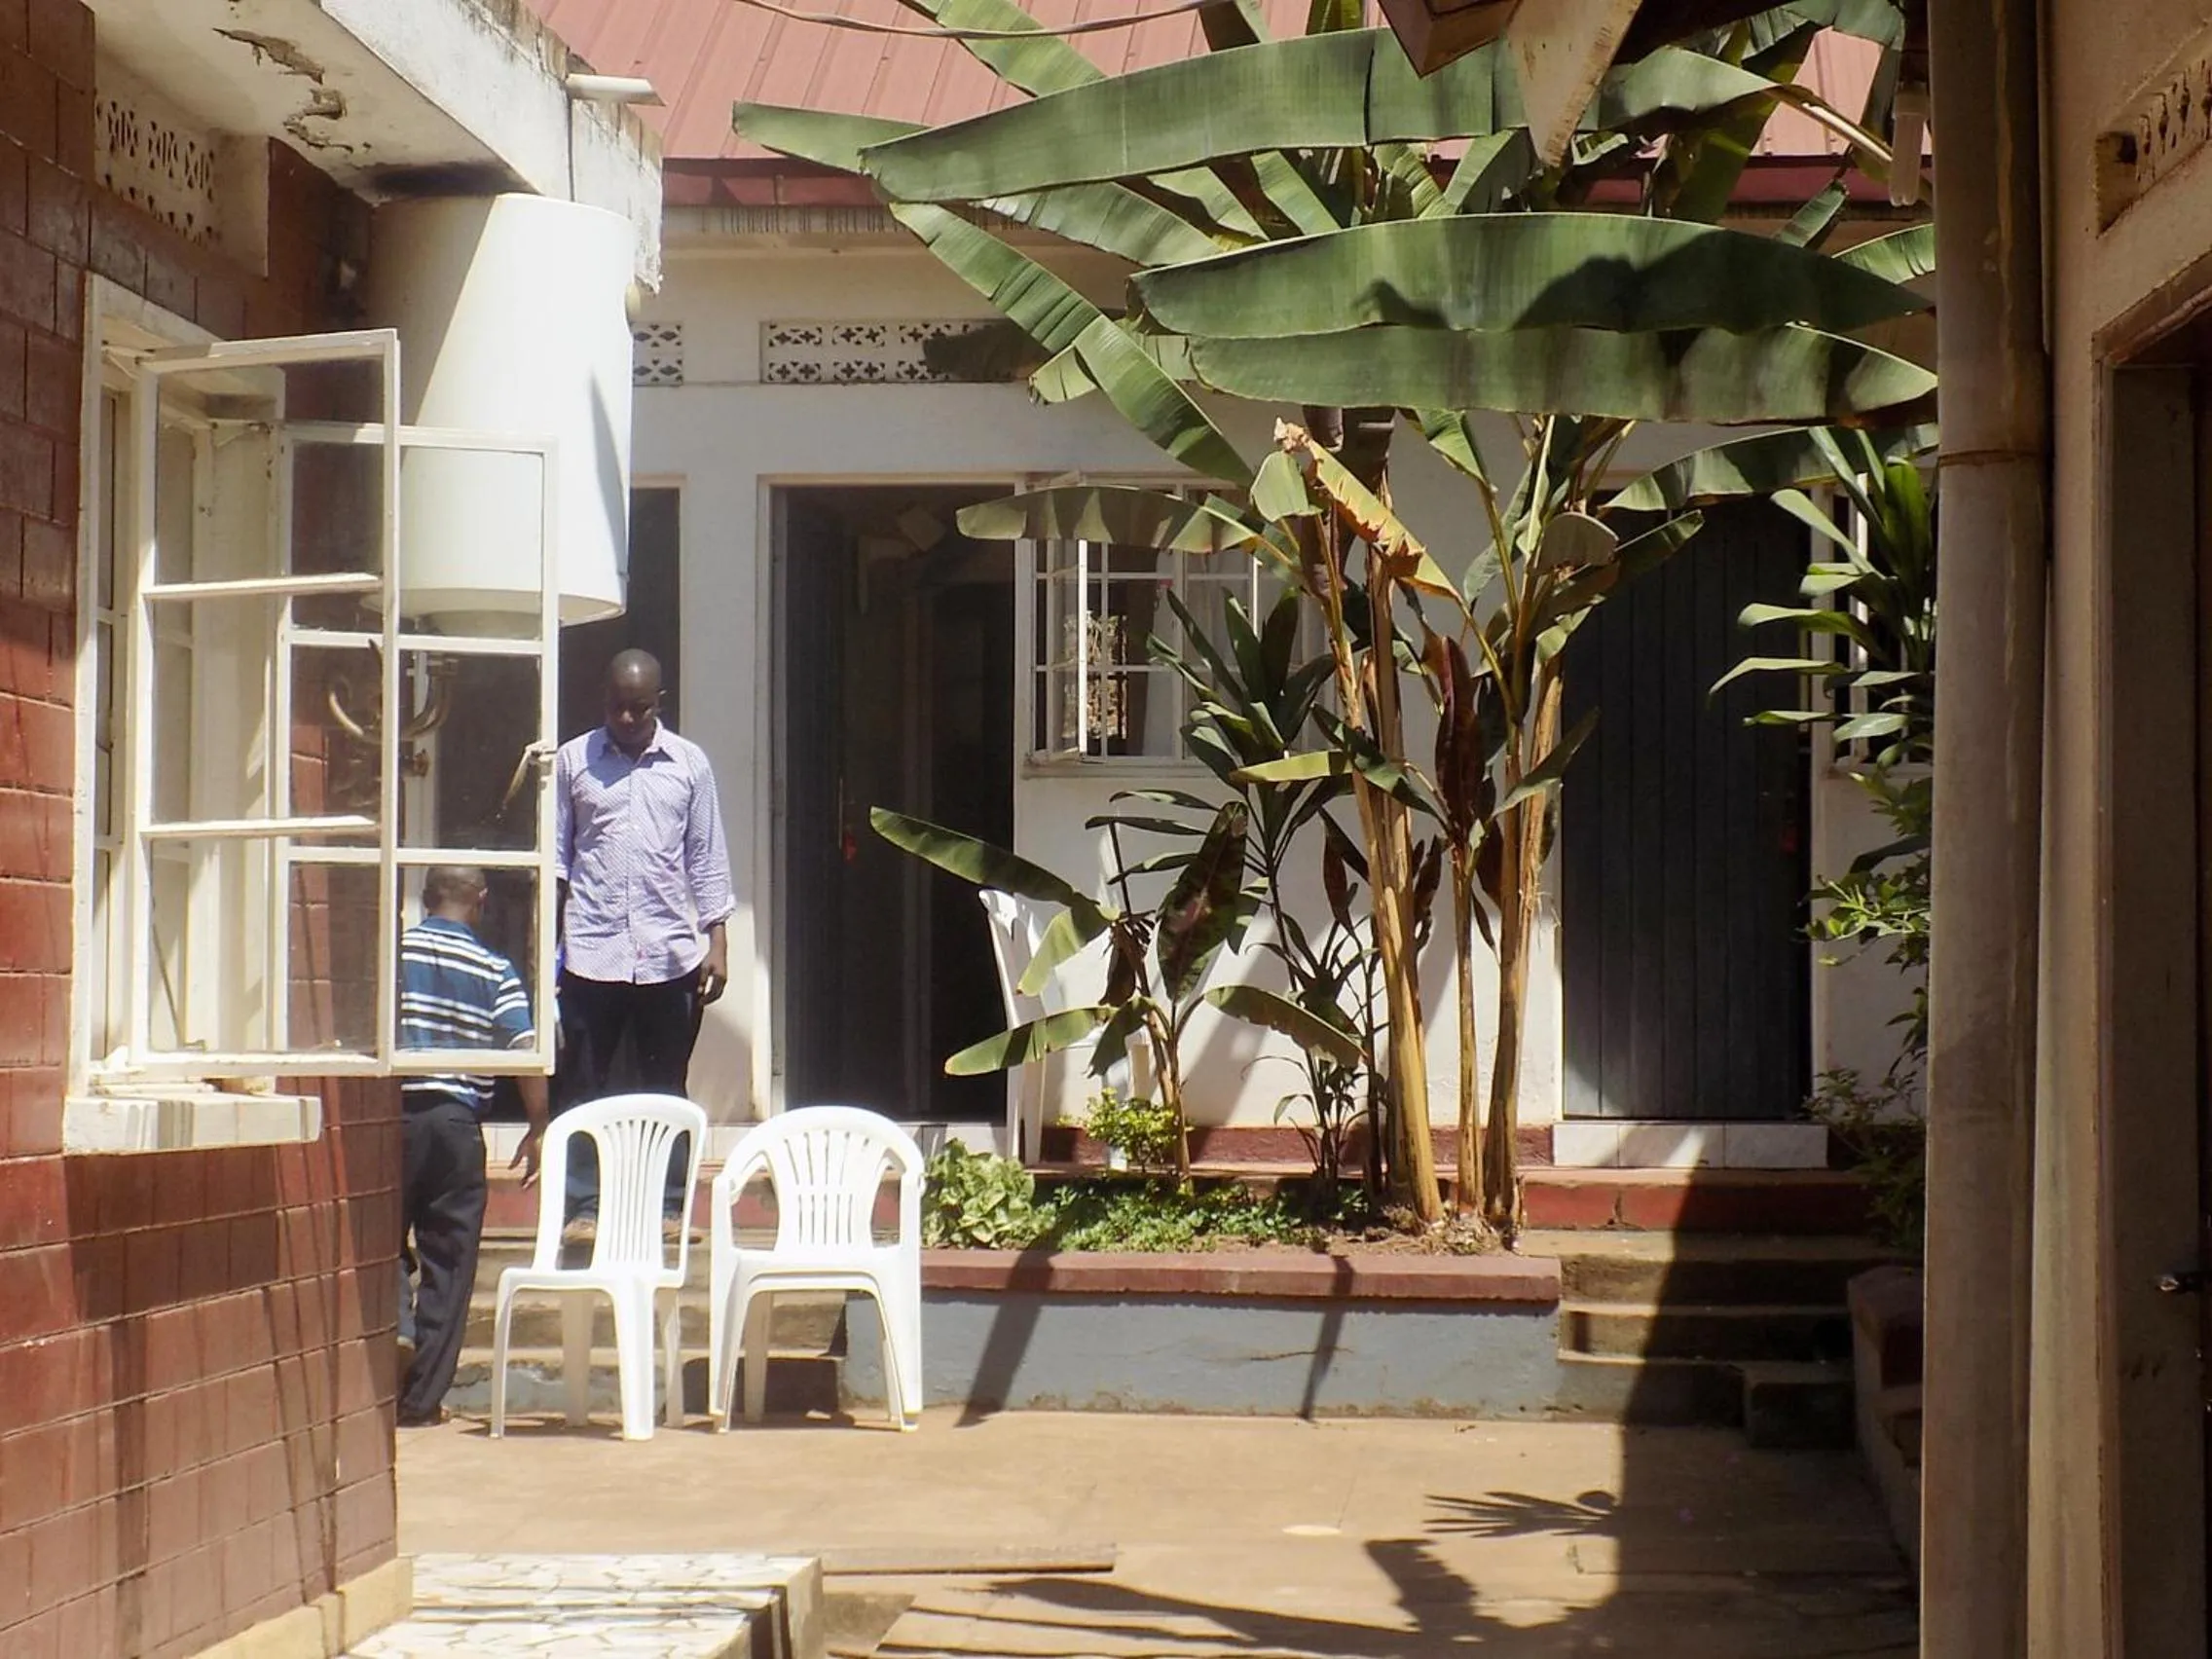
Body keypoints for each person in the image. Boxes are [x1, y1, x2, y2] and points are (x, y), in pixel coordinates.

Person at [553, 649, 733, 1245]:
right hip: (590, 950)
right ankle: (585, 1206)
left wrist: (718, 942)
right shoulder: (573, 761)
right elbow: (556, 858)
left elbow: (706, 858)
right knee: (585, 1085)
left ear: (660, 704)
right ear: (602, 700)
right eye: (616, 707)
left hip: (668, 952)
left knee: (666, 1088)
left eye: (638, 708)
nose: (626, 719)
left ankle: (670, 1206)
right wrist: (544, 949)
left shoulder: (689, 766)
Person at [396, 866, 548, 1427]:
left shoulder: (396, 953)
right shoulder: (494, 968)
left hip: (395, 1118)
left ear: (425, 897)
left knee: (380, 1239)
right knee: (450, 1263)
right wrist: (538, 1123)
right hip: (457, 1123)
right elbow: (524, 1049)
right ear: (481, 901)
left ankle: (395, 1325)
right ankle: (419, 1401)